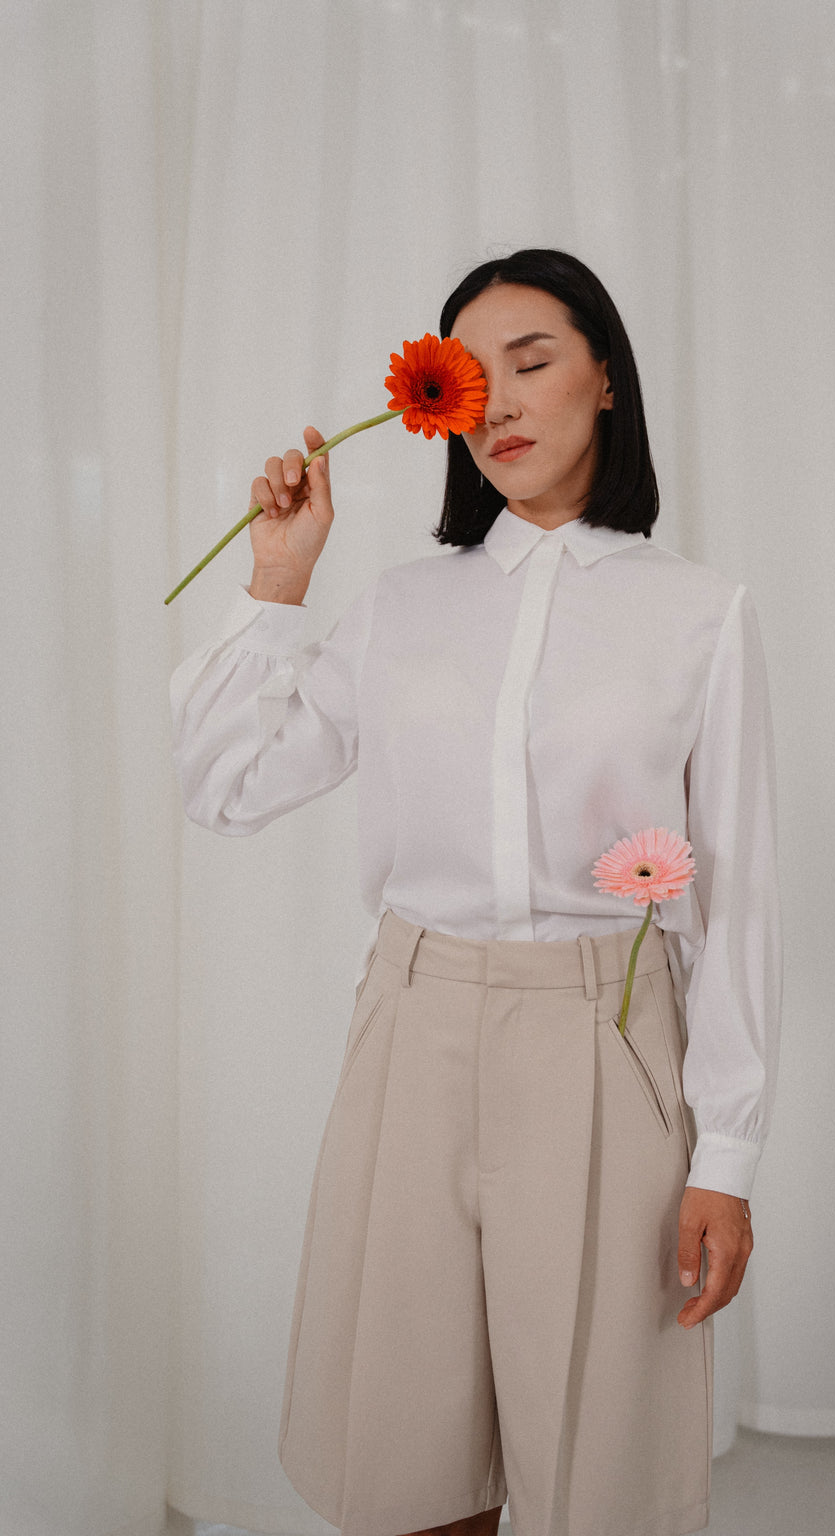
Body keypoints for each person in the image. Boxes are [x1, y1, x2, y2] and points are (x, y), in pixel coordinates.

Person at [171, 248, 781, 1536]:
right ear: (431, 406)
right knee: (406, 1448)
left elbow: (738, 897)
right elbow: (225, 786)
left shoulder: (700, 615)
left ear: (605, 378)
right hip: (414, 1024)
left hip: (606, 1040)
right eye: (467, 375)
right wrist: (280, 577)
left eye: (533, 361)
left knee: (594, 1453)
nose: (497, 402)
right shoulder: (402, 607)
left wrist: (726, 1152)